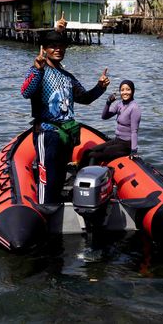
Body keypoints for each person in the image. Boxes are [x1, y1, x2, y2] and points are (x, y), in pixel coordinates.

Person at [20, 29, 110, 204]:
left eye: (61, 46)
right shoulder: (38, 70)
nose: (58, 49)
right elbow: (26, 92)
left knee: (60, 177)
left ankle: (57, 211)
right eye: (53, 46)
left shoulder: (68, 77)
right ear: (44, 49)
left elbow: (84, 98)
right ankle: (44, 212)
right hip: (47, 132)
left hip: (67, 134)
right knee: (48, 179)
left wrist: (100, 87)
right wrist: (37, 69)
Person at [82, 79, 141, 166]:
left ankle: (87, 176)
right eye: (122, 90)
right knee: (88, 151)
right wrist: (108, 103)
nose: (125, 92)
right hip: (117, 140)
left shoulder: (134, 108)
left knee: (93, 155)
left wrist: (133, 151)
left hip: (126, 145)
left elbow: (134, 131)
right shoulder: (119, 104)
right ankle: (78, 174)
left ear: (133, 91)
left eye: (128, 89)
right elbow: (104, 117)